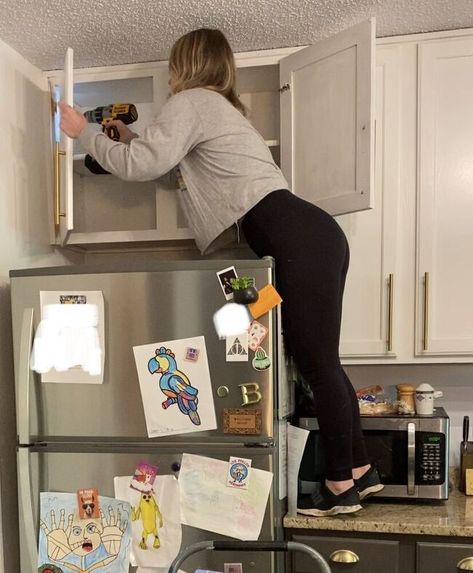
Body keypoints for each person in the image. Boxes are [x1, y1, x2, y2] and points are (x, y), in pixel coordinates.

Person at [59, 27, 384, 516]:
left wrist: (82, 130)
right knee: (319, 359)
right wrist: (128, 139)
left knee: (317, 363)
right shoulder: (219, 109)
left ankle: (340, 485)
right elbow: (175, 171)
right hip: (310, 237)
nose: (171, 76)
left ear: (185, 65)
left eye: (173, 66)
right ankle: (359, 469)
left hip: (298, 239)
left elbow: (144, 164)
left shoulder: (191, 100)